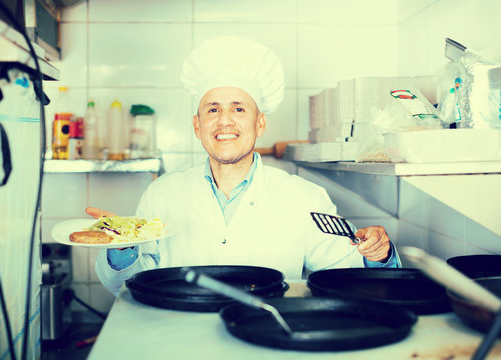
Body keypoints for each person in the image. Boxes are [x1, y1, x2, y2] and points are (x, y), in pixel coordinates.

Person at [92, 36, 400, 296]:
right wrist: (122, 246)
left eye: (238, 108)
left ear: (260, 123)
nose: (224, 120)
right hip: (181, 339)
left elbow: (348, 279)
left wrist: (378, 254)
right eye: (213, 109)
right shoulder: (161, 194)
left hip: (267, 339)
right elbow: (126, 287)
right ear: (198, 126)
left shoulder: (305, 198)